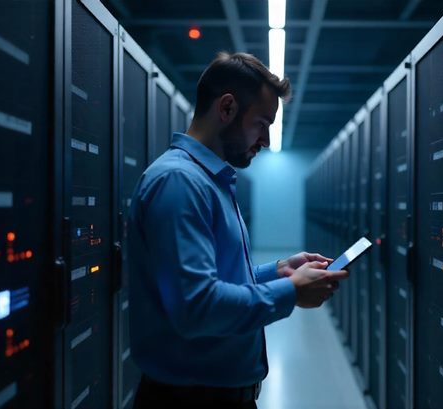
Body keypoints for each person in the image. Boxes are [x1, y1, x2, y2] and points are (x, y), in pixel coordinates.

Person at [128, 51, 349, 409]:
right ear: (227, 108)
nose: (264, 139)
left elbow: (215, 278)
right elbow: (197, 307)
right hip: (190, 401)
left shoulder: (209, 180)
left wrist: (275, 273)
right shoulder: (179, 182)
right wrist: (289, 291)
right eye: (262, 123)